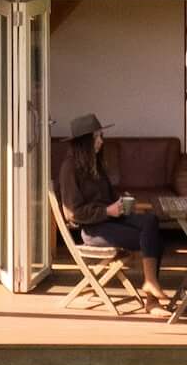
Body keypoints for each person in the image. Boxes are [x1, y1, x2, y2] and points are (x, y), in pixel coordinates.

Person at [58, 113, 168, 313]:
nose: (101, 141)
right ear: (84, 142)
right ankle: (151, 299)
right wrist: (107, 210)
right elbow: (73, 214)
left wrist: (120, 201)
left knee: (151, 220)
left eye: (101, 136)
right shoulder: (70, 168)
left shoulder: (95, 164)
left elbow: (107, 196)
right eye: (96, 137)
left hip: (111, 220)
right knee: (153, 240)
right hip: (93, 230)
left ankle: (150, 284)